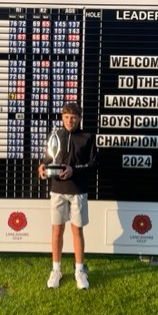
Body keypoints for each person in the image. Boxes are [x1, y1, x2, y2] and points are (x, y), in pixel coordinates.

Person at [38, 102, 98, 290]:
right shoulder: (55, 135)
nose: (69, 120)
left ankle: (79, 271)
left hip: (78, 191)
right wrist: (41, 166)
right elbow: (48, 159)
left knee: (77, 231)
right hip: (57, 190)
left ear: (79, 118)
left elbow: (93, 164)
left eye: (73, 117)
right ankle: (56, 270)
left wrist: (74, 170)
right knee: (57, 231)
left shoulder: (87, 137)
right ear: (62, 118)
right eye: (66, 117)